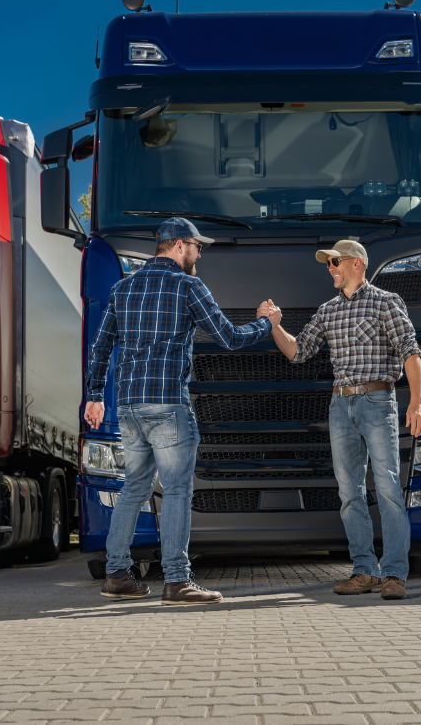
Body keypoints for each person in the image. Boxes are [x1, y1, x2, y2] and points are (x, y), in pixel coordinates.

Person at [85, 217, 280, 605]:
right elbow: (227, 337)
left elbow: (101, 347)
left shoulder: (122, 289)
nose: (200, 252)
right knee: (176, 491)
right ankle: (176, 580)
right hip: (168, 404)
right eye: (196, 245)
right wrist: (265, 323)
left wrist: (94, 395)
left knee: (133, 490)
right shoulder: (187, 286)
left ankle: (117, 574)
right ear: (178, 246)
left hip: (129, 406)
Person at [268, 240, 421, 600]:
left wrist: (416, 401)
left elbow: (410, 352)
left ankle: (395, 574)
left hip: (377, 400)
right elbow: (298, 351)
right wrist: (275, 325)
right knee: (349, 492)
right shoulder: (327, 311)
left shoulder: (386, 302)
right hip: (340, 406)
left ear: (356, 263)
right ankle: (365, 570)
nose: (330, 269)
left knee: (386, 486)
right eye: (328, 264)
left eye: (335, 262)